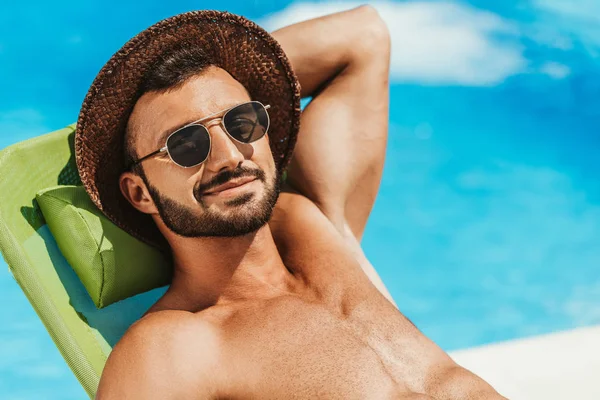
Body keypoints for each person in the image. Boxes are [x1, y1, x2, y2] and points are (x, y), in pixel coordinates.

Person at [77, 7, 505, 400]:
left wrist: (231, 72)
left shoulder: (317, 226)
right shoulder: (172, 348)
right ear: (140, 192)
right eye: (186, 144)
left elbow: (363, 36)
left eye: (242, 122)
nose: (229, 157)